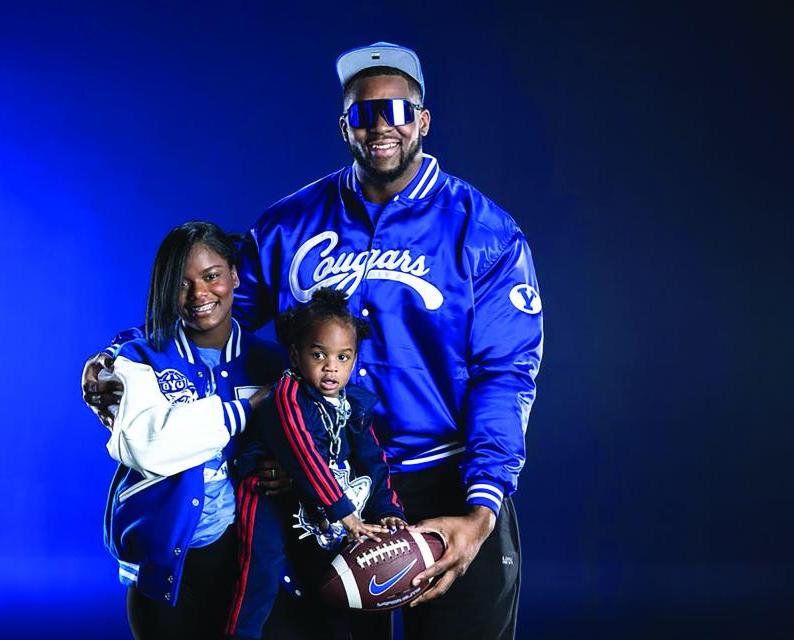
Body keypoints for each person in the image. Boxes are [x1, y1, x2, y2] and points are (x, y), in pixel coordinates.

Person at [85, 42, 543, 640]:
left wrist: (480, 512)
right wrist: (122, 356)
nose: (381, 125)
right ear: (344, 125)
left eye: (398, 110)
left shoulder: (485, 232)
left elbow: (505, 375)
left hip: (448, 481)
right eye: (362, 113)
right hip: (326, 483)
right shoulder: (290, 225)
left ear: (423, 120)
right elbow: (209, 311)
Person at [98, 221, 284, 640]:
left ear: (234, 276)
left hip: (248, 562)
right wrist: (245, 409)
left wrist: (287, 472)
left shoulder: (272, 364)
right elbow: (147, 445)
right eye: (182, 284)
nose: (200, 294)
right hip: (167, 567)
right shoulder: (138, 358)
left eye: (212, 276)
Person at [225, 288, 407, 640]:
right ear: (295, 356)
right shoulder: (286, 395)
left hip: (319, 503)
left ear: (354, 361)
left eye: (343, 357)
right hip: (267, 495)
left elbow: (372, 459)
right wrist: (346, 513)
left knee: (332, 583)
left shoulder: (352, 403)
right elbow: (303, 454)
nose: (330, 367)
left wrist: (388, 509)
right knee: (261, 570)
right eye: (318, 354)